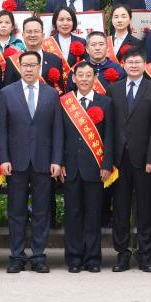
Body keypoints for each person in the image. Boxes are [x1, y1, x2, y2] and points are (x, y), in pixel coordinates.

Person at [0, 51, 64, 273]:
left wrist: (57, 160)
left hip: (44, 161)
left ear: (39, 67)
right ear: (19, 67)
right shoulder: (7, 93)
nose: (28, 69)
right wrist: (4, 158)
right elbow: (2, 130)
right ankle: (17, 256)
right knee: (16, 211)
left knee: (41, 211)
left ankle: (38, 256)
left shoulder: (51, 94)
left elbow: (57, 129)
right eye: (25, 65)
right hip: (16, 162)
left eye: (33, 65)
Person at [107, 47, 151, 272]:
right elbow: (110, 127)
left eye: (137, 62)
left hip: (144, 160)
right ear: (123, 65)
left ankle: (145, 255)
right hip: (119, 159)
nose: (133, 65)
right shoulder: (113, 89)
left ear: (144, 65)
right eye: (129, 62)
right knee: (120, 208)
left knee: (145, 208)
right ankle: (122, 254)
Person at [58, 61, 115, 272]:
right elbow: (59, 134)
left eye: (88, 75)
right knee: (72, 214)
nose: (84, 79)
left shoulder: (105, 102)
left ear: (95, 78)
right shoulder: (65, 102)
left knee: (93, 214)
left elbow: (110, 137)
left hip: (96, 167)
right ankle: (74, 259)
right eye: (80, 75)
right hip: (71, 167)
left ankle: (92, 259)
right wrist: (60, 162)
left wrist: (107, 164)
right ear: (73, 78)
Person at [2, 16, 63, 90]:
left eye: (36, 31)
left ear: (43, 35)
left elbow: (60, 91)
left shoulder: (55, 60)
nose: (33, 35)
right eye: (29, 32)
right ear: (23, 35)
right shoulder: (12, 61)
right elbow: (7, 91)